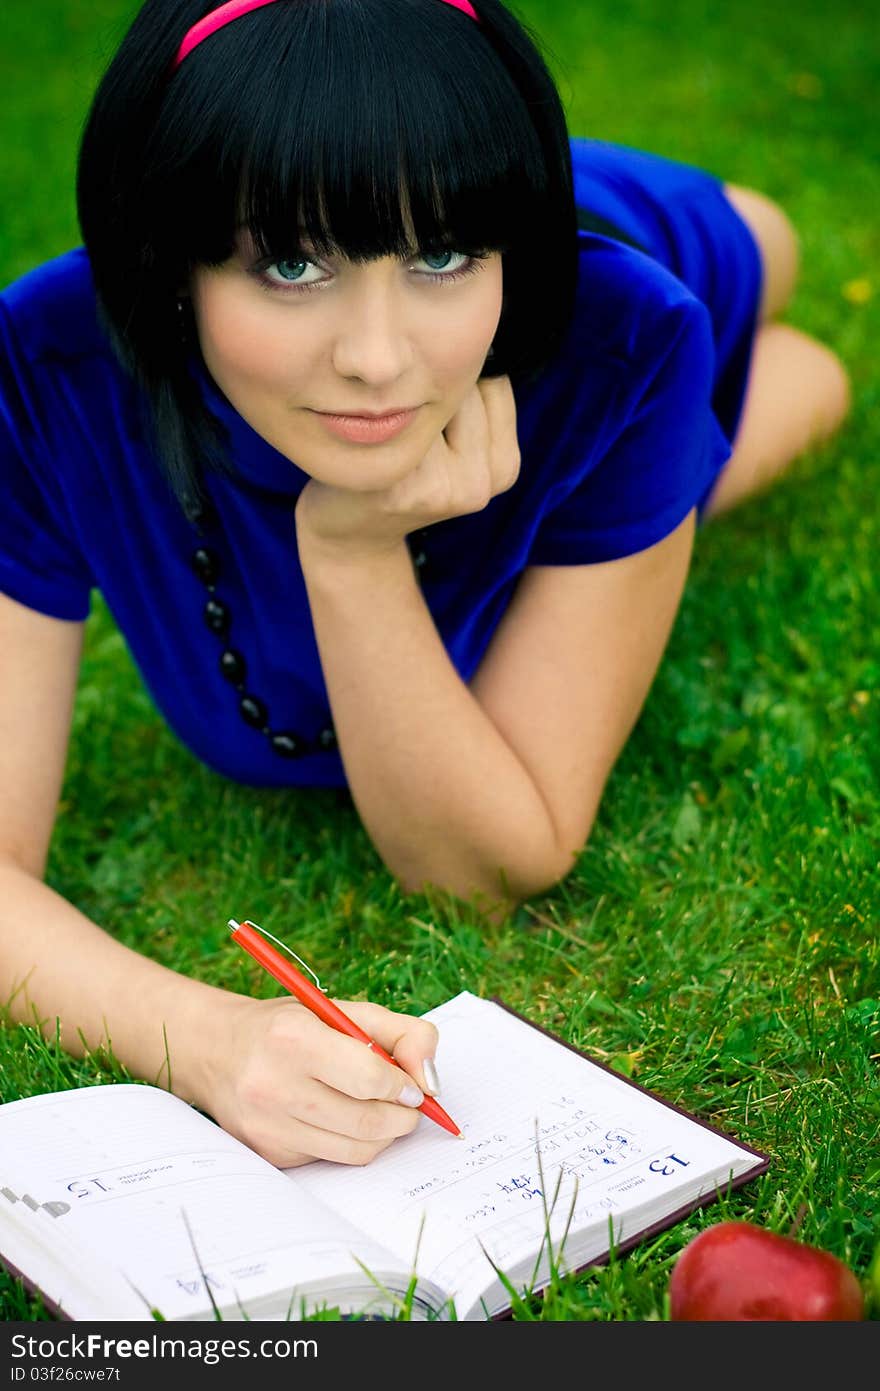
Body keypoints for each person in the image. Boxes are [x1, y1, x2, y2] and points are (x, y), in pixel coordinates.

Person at [0, 0, 851, 1168]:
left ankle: (710, 260)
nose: (379, 357)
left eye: (443, 255)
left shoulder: (625, 335)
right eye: (290, 262)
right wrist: (206, 1037)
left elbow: (488, 869)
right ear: (168, 263)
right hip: (435, 189)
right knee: (772, 390)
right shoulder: (45, 364)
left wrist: (353, 558)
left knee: (760, 256)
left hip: (643, 237)